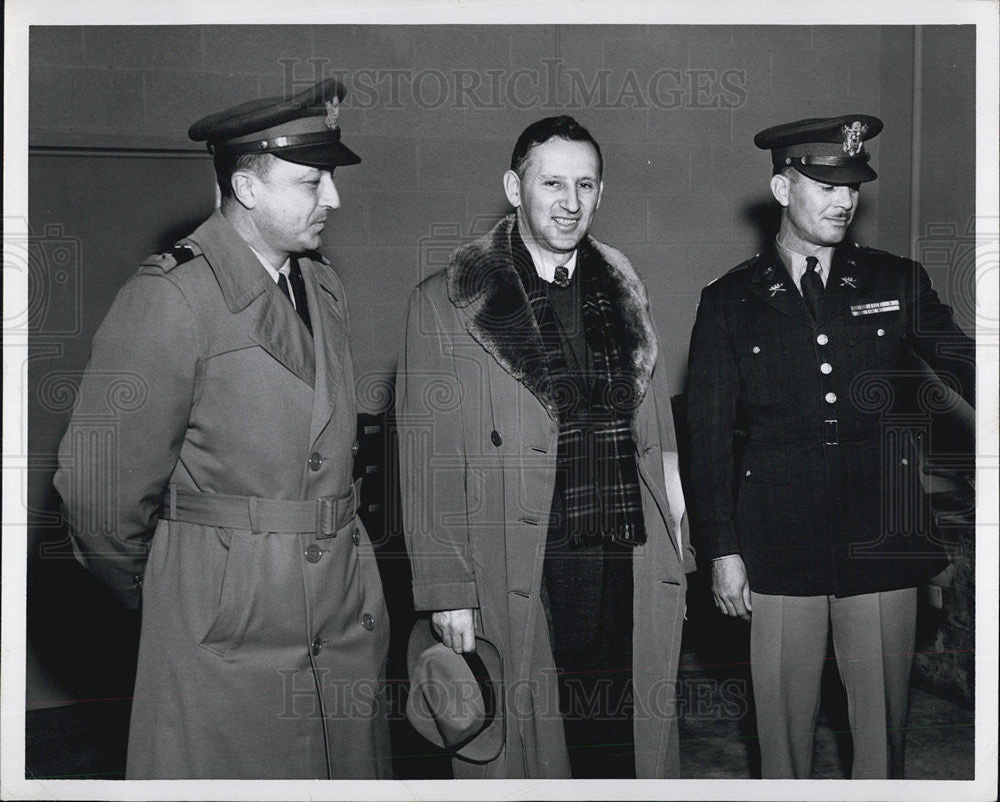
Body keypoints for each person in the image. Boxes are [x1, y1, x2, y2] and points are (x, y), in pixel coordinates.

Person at [53, 78, 391, 779]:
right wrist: (189, 584)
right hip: (228, 634)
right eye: (312, 180)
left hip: (338, 619)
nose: (334, 198)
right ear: (247, 185)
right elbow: (97, 494)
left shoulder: (321, 286)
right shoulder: (171, 298)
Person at [395, 115, 693, 779]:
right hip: (517, 551)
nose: (569, 201)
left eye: (585, 184)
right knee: (529, 742)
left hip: (624, 549)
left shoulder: (626, 295)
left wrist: (680, 540)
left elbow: (660, 440)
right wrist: (446, 588)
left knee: (619, 730)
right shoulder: (444, 305)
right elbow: (424, 459)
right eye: (551, 182)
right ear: (513, 185)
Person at [686, 114, 976, 779]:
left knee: (882, 735)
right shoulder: (730, 301)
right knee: (782, 733)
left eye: (854, 186)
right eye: (826, 184)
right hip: (777, 544)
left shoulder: (894, 281)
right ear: (783, 189)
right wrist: (722, 548)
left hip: (880, 536)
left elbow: (964, 361)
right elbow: (705, 437)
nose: (845, 200)